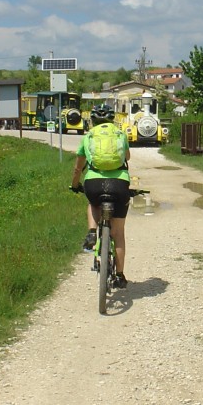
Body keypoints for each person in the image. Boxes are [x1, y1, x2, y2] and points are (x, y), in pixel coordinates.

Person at [71, 104, 133, 288]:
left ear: (93, 120)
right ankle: (120, 275)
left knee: (92, 203)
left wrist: (75, 184)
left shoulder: (88, 136)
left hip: (94, 183)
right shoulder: (120, 134)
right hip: (120, 183)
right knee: (118, 233)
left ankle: (92, 232)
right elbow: (127, 157)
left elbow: (77, 168)